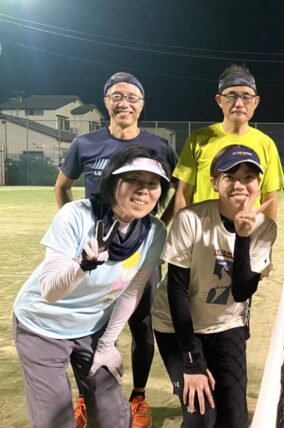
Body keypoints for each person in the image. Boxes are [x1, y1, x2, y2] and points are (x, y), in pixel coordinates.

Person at [54, 72, 178, 428]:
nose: (124, 103)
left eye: (132, 97)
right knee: (88, 325)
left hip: (139, 256)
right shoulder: (85, 143)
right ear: (106, 101)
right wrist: (77, 234)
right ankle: (86, 396)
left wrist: (156, 228)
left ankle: (138, 398)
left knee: (141, 324)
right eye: (116, 96)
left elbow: (176, 191)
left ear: (142, 104)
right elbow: (62, 188)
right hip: (98, 256)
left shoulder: (159, 146)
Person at [13, 145, 170, 428]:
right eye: (133, 179)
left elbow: (131, 292)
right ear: (113, 182)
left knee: (114, 416)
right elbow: (49, 291)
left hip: (91, 327)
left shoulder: (153, 232)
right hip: (41, 324)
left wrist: (107, 344)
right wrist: (83, 265)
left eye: (152, 183)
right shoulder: (77, 214)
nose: (143, 190)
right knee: (56, 420)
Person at [151, 145, 277, 428]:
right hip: (175, 326)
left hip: (225, 324)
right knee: (202, 415)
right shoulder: (190, 219)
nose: (240, 184)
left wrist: (243, 236)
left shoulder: (265, 228)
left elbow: (242, 291)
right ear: (214, 183)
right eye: (230, 176)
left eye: (248, 177)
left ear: (258, 184)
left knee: (234, 419)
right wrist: (192, 361)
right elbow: (177, 292)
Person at [172, 64, 284, 220]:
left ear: (256, 102)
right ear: (219, 100)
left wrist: (267, 234)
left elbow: (269, 199)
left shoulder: (266, 144)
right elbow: (183, 194)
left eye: (246, 97)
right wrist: (180, 229)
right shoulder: (198, 140)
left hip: (247, 230)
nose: (239, 104)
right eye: (231, 96)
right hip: (204, 231)